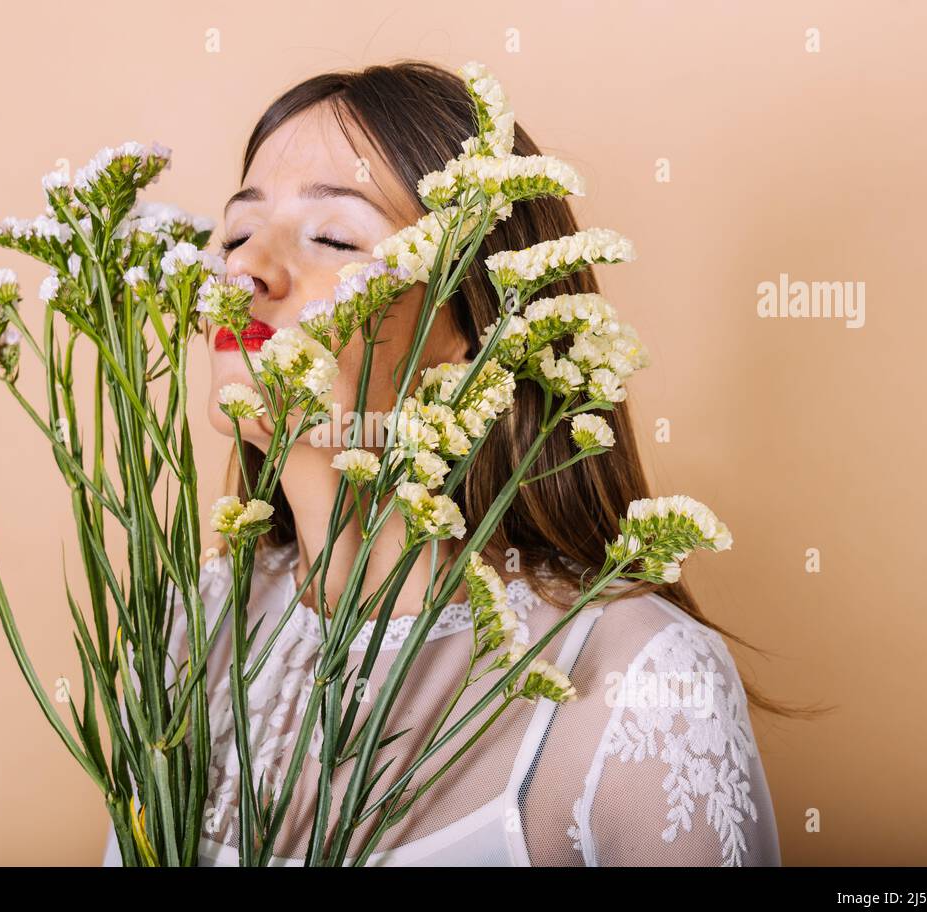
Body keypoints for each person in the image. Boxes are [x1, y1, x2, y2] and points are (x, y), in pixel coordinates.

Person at [104, 60, 785, 866]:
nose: (246, 270)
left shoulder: (636, 679)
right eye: (237, 232)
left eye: (331, 236)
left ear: (476, 330)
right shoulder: (194, 620)